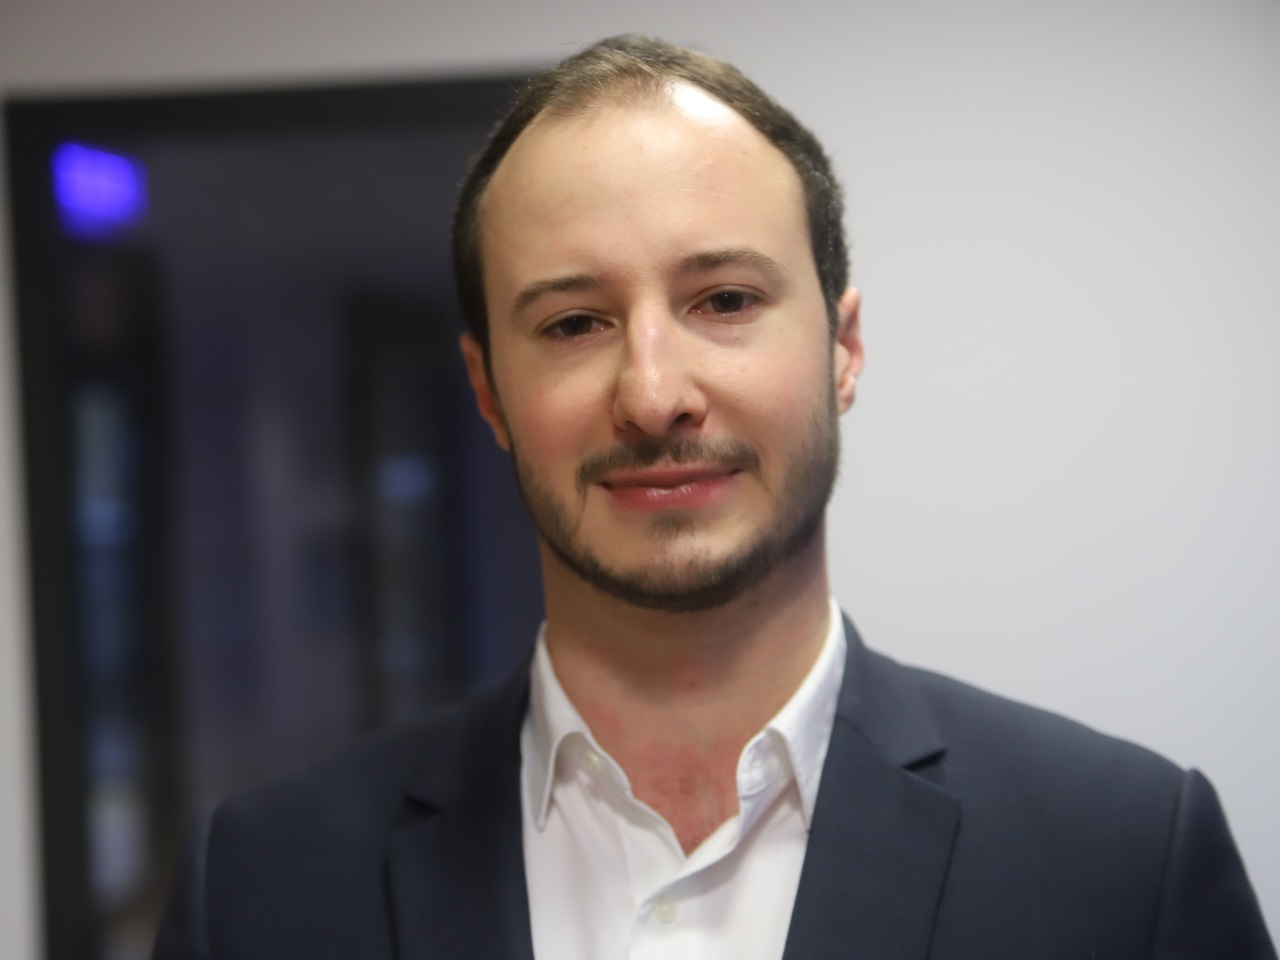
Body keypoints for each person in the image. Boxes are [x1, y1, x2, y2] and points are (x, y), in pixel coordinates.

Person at [153, 35, 1275, 959]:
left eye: (725, 300)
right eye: (573, 323)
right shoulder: (258, 890)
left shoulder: (1124, 863)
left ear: (842, 348)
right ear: (488, 392)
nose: (652, 395)